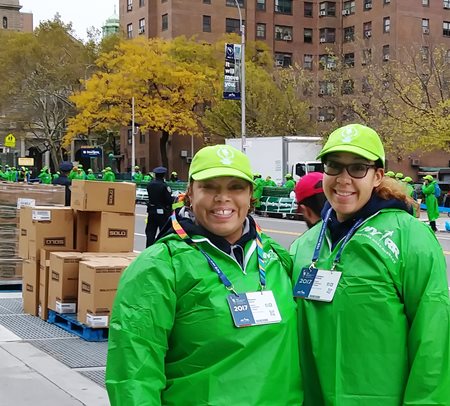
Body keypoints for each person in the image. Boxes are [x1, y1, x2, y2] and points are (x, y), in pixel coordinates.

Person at [106, 144, 302, 405]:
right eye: (209, 187)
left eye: (236, 187)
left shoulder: (275, 257)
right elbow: (133, 375)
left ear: (250, 195)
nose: (223, 198)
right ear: (190, 193)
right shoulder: (160, 267)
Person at [290, 123, 450, 406]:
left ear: (377, 176)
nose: (343, 178)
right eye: (334, 166)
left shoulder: (409, 237)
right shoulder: (306, 245)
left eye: (357, 168)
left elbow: (433, 337)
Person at [144, 166, 173, 247]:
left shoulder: (149, 185)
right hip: (162, 213)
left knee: (150, 233)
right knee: (163, 233)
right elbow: (169, 200)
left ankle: (148, 250)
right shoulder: (164, 186)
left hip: (151, 211)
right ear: (163, 175)